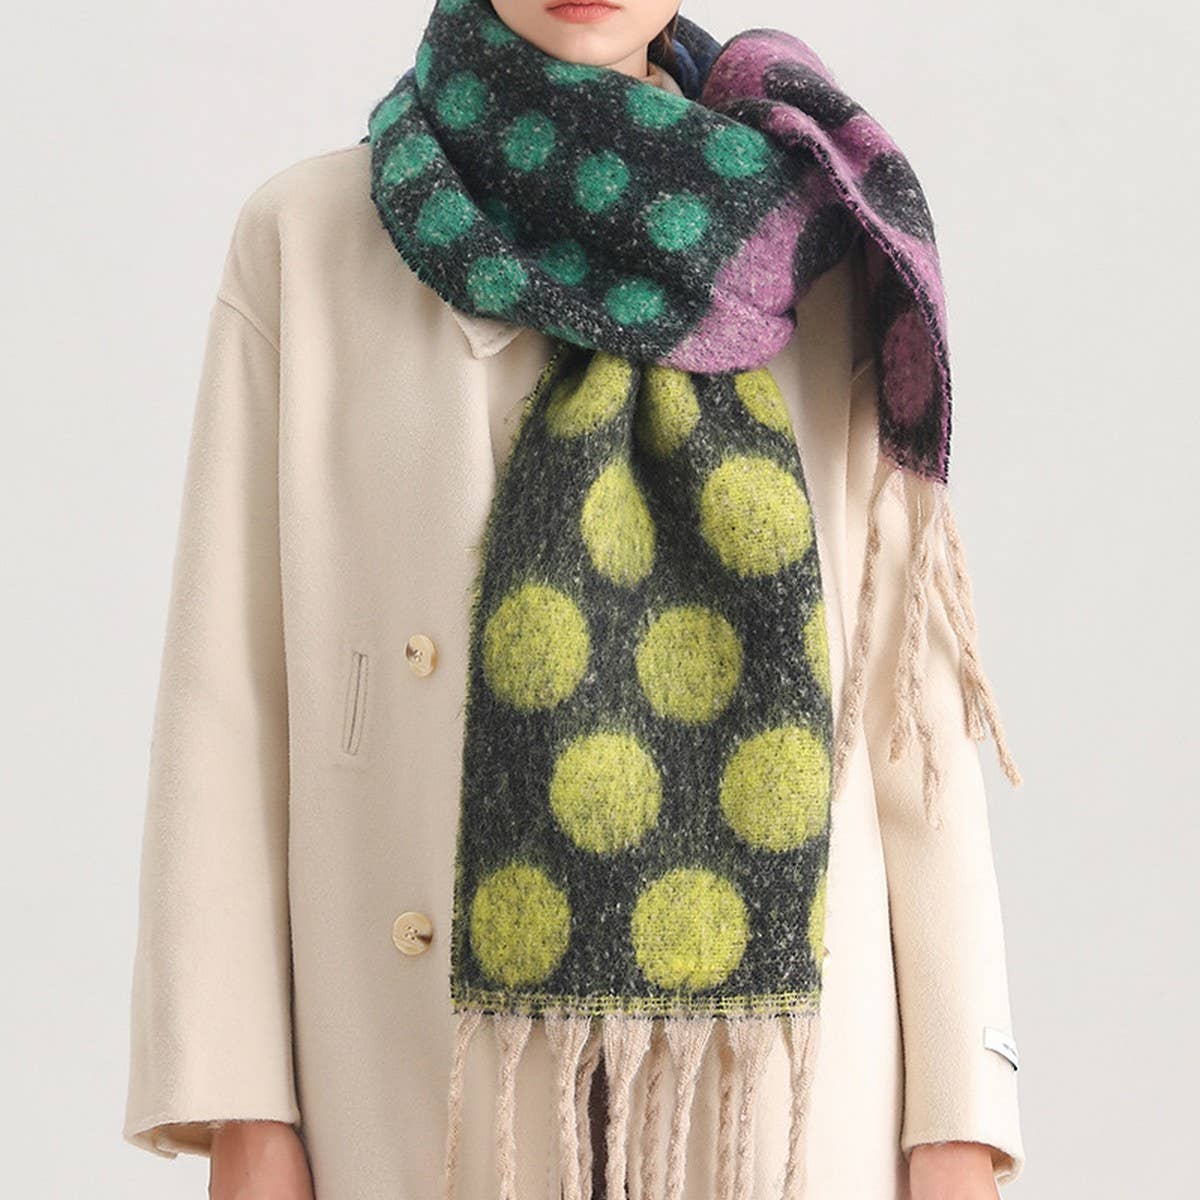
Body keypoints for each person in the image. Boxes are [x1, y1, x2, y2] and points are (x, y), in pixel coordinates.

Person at [122, 2, 1025, 1198]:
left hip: (789, 1091)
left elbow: (911, 714)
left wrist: (960, 1116)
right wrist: (241, 1104)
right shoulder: (310, 239)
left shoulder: (825, 243)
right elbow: (226, 695)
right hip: (413, 1076)